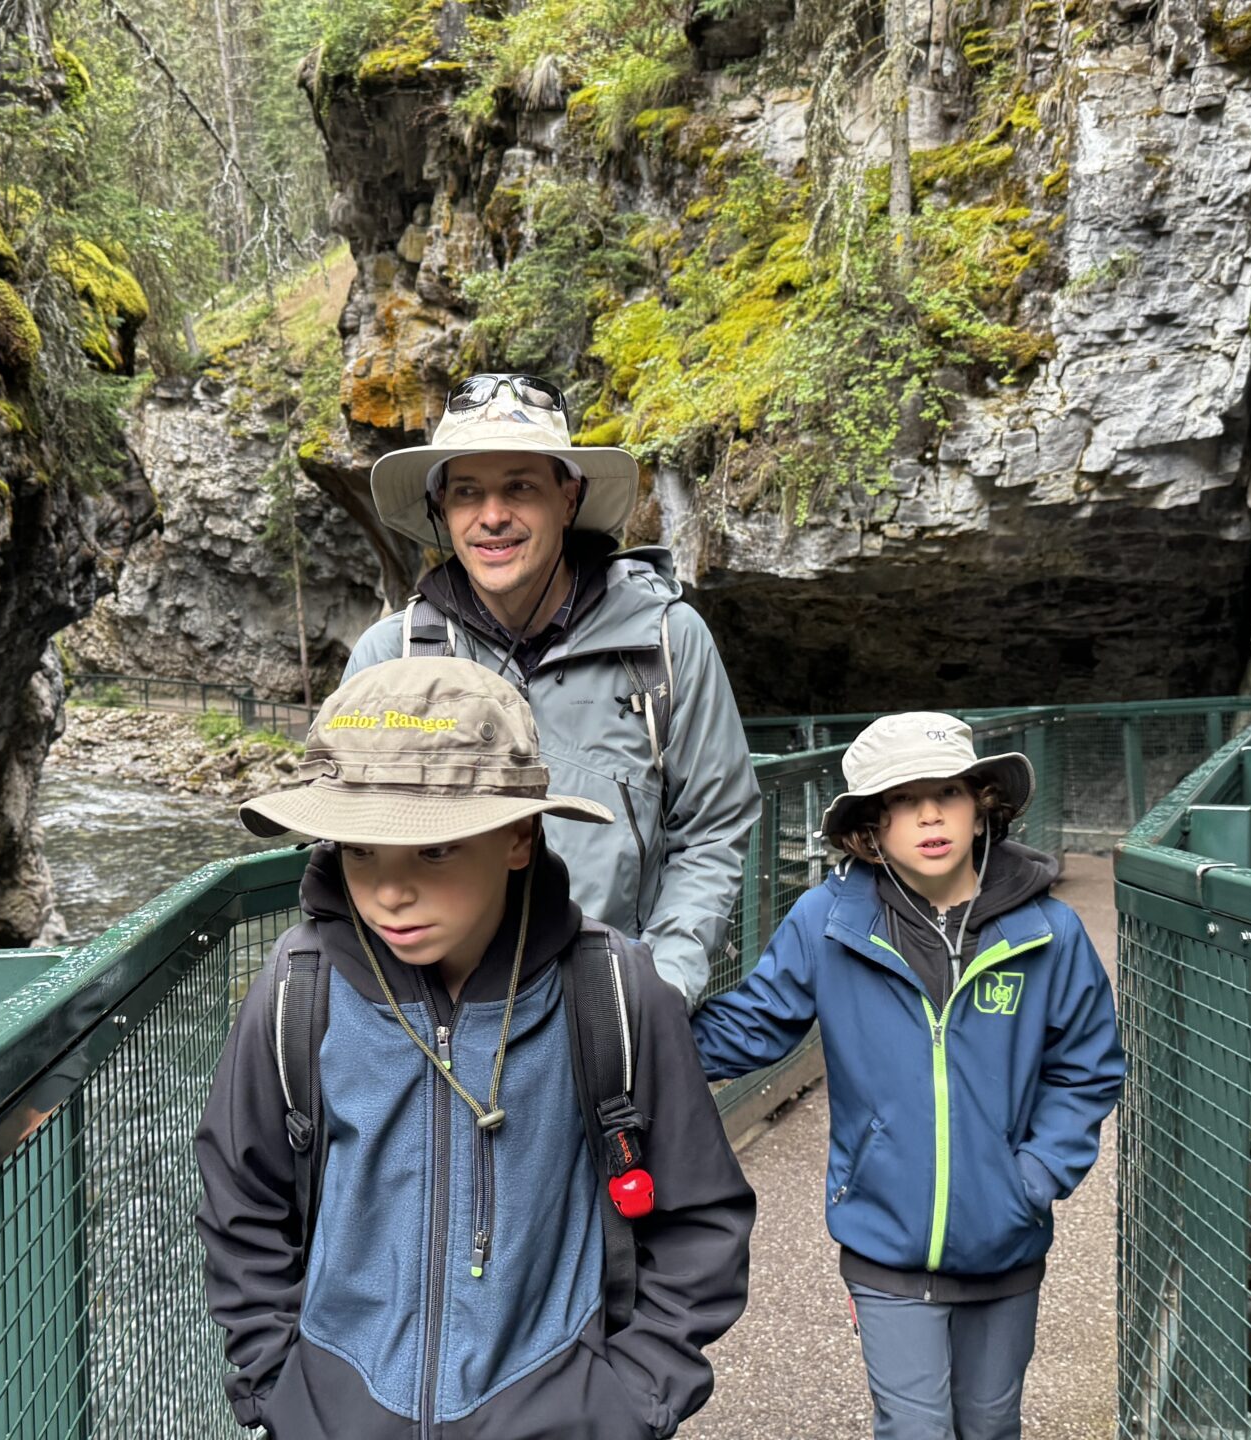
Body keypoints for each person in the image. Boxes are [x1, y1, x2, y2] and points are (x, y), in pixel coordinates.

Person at [196, 657, 756, 1440]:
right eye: (361, 849)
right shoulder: (298, 990)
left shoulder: (613, 990)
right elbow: (242, 1204)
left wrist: (628, 1403)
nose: (390, 891)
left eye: (433, 850)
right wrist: (279, 1389)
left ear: (519, 836)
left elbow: (700, 1216)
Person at [689, 712, 1125, 1440]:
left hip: (1008, 1243)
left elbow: (1087, 1063)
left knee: (991, 1426)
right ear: (871, 828)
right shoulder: (829, 922)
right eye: (903, 799)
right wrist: (634, 1031)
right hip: (885, 1245)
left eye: (948, 792)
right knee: (914, 1428)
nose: (929, 814)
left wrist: (1037, 1174)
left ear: (982, 807)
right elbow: (755, 1024)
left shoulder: (1049, 931)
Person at [342, 372, 760, 1005]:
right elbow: (349, 840)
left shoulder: (667, 642)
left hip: (615, 1009)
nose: (492, 516)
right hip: (442, 1026)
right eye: (467, 493)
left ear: (568, 498)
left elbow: (713, 826)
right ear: (442, 511)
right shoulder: (390, 659)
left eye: (520, 487)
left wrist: (662, 988)